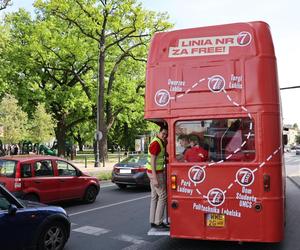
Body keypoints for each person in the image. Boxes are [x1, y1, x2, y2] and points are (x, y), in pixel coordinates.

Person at [146, 126, 168, 230]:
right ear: (159, 132)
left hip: (152, 172)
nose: (164, 135)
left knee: (154, 197)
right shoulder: (156, 143)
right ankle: (158, 222)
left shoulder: (159, 141)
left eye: (166, 134)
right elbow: (153, 161)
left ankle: (153, 221)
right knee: (163, 196)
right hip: (156, 173)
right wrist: (155, 178)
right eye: (163, 133)